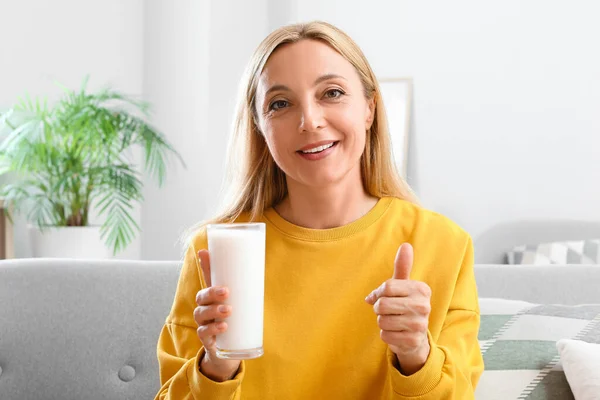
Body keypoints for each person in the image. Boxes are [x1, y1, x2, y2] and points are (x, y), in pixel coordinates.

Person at [154, 20, 484, 400]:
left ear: (369, 110)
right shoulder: (212, 251)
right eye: (280, 103)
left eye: (331, 93)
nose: (309, 120)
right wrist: (215, 366)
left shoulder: (444, 244)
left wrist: (415, 356)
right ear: (260, 128)